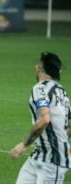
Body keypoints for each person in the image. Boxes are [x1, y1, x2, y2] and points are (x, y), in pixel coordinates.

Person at [10, 52, 71, 183]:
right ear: (59, 72)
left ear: (37, 68)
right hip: (39, 155)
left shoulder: (40, 89)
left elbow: (44, 119)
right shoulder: (62, 93)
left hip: (52, 162)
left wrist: (23, 144)